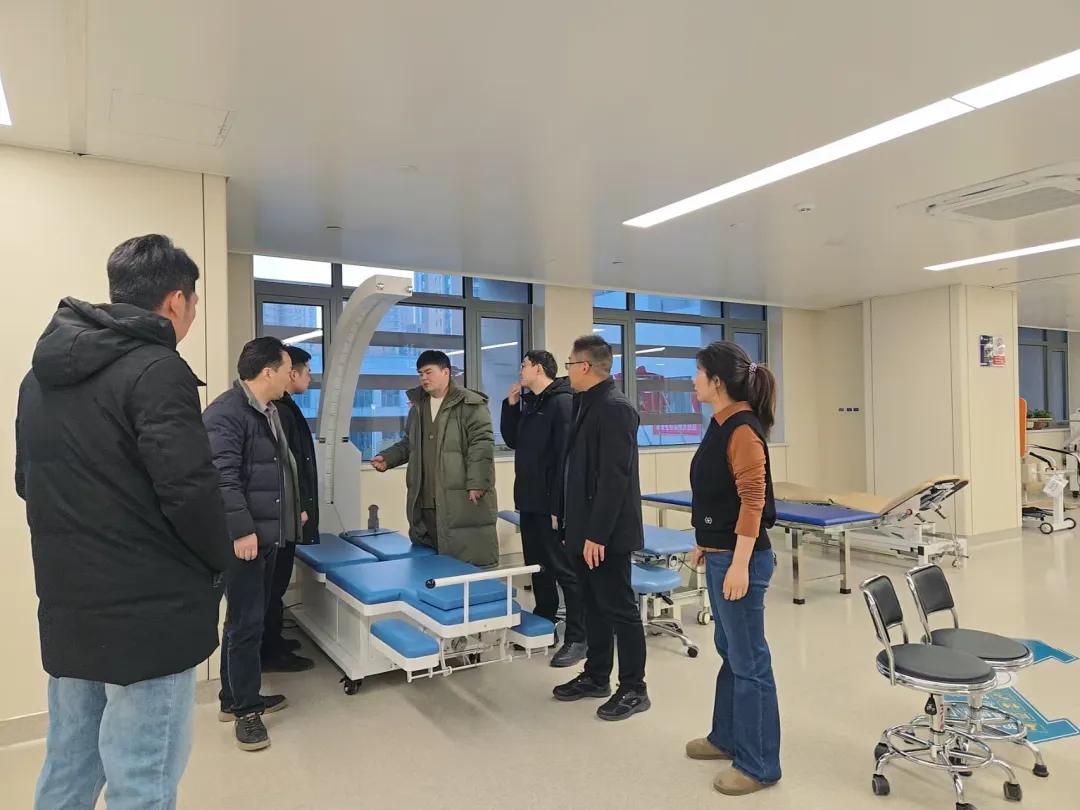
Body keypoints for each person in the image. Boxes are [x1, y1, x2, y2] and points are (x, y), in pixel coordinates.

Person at [15, 234, 231, 809]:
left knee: (69, 764)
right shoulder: (158, 369)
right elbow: (190, 493)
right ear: (176, 300)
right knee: (142, 778)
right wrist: (221, 562)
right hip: (148, 614)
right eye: (194, 303)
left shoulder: (38, 379)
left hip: (69, 602)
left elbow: (26, 482)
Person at [685, 340, 781, 795]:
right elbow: (716, 493)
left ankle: (759, 765)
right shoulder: (720, 423)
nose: (693, 380)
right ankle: (725, 738)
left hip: (742, 561)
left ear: (717, 381)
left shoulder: (742, 430)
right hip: (721, 554)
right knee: (730, 652)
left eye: (698, 373)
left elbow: (752, 501)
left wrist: (740, 563)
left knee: (750, 663)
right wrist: (705, 543)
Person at [204, 337, 302, 752]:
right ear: (267, 372)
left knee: (246, 621)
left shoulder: (266, 411)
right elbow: (222, 477)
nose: (290, 377)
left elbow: (273, 474)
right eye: (286, 369)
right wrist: (242, 530)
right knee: (245, 625)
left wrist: (291, 513)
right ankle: (246, 711)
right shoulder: (227, 413)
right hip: (245, 540)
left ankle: (235, 698)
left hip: (265, 535)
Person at [552, 336, 650, 721]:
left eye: (569, 363)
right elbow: (576, 471)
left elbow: (614, 478)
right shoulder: (584, 403)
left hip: (606, 534)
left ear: (585, 366)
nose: (567, 370)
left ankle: (634, 688)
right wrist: (567, 519)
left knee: (620, 608)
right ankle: (596, 675)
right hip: (583, 529)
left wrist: (597, 534)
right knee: (592, 605)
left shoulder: (615, 408)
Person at [370, 350, 498, 566]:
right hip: (424, 502)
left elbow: (482, 444)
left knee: (463, 564)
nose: (424, 378)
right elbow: (409, 443)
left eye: (428, 372)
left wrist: (477, 482)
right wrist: (388, 458)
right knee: (430, 567)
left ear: (446, 372)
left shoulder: (470, 404)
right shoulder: (418, 407)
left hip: (459, 501)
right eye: (420, 374)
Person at [501, 350, 585, 668]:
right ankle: (544, 621)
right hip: (530, 500)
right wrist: (511, 406)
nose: (520, 370)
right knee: (538, 567)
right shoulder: (532, 403)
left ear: (538, 368)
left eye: (524, 365)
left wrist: (558, 508)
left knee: (565, 570)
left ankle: (578, 636)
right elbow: (513, 441)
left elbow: (565, 459)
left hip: (552, 505)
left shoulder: (562, 403)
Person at [261, 345, 319, 673]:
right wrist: (296, 508)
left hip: (288, 511)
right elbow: (284, 466)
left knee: (277, 583)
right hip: (283, 514)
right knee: (273, 585)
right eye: (306, 371)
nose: (309, 377)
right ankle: (271, 652)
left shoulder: (286, 408)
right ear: (290, 373)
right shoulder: (279, 412)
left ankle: (275, 642)